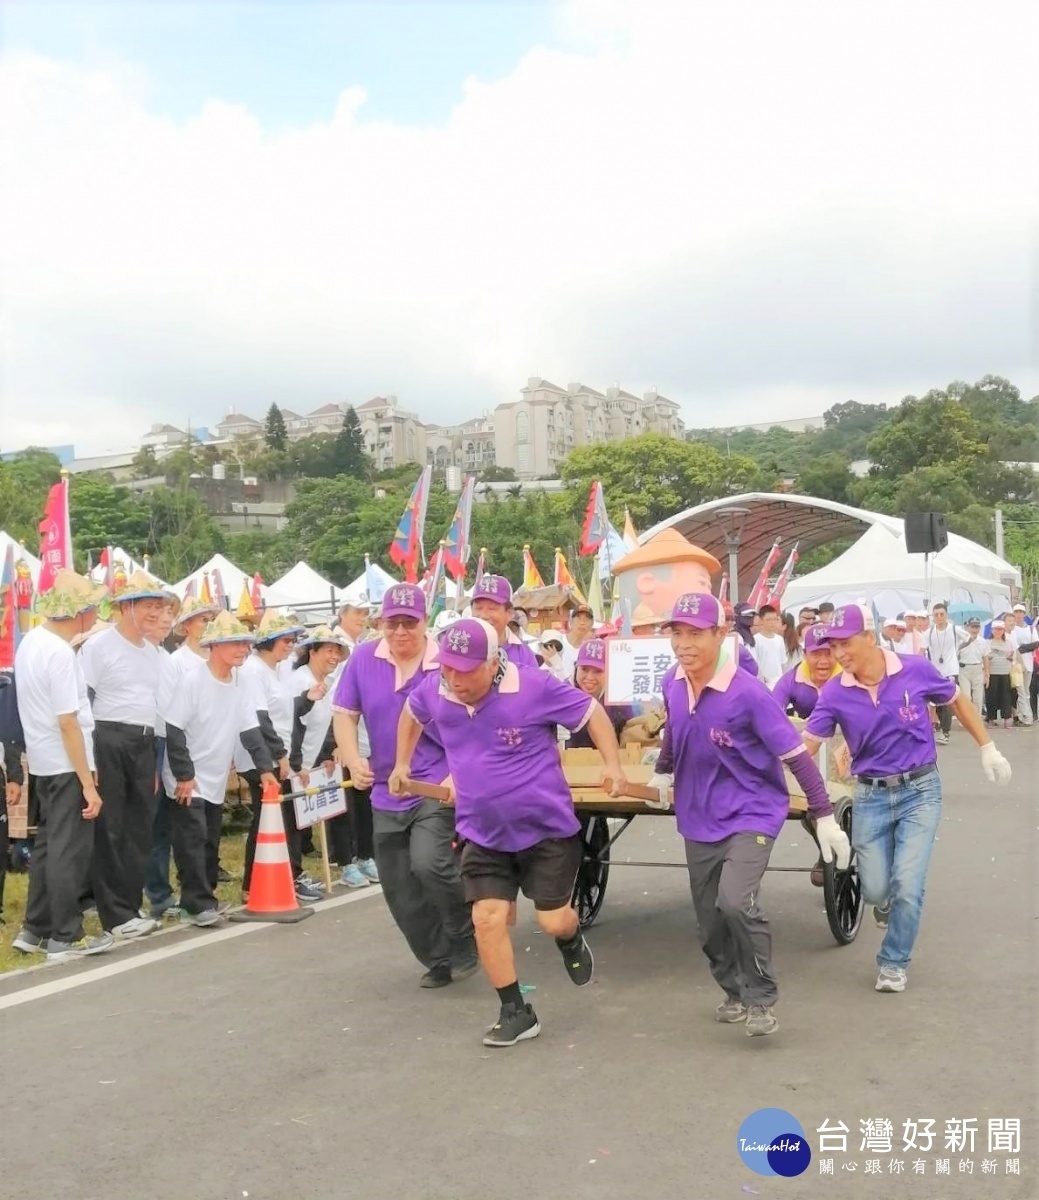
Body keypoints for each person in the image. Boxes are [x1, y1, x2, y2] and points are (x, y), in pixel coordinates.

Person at [391, 617, 628, 1048]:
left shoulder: (534, 686)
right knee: (487, 919)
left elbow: (591, 712)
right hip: (482, 831)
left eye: (465, 669)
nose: (454, 678)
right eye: (447, 667)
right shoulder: (436, 689)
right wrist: (402, 763)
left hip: (545, 829)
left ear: (493, 661)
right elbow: (411, 713)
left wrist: (612, 764)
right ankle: (515, 1010)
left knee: (553, 920)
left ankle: (570, 938)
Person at [647, 594, 847, 1037]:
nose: (684, 643)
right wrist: (663, 773)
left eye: (696, 633)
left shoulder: (749, 693)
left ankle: (760, 999)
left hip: (752, 811)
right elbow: (675, 732)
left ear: (721, 635)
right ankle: (733, 989)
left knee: (735, 901)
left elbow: (796, 756)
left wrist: (825, 814)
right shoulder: (672, 683)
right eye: (677, 633)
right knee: (709, 922)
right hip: (698, 815)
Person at [803, 604, 1011, 994]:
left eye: (845, 643)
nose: (839, 653)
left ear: (870, 637)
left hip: (921, 791)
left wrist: (988, 746)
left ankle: (893, 962)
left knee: (908, 884)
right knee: (877, 890)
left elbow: (956, 700)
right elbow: (807, 743)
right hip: (870, 795)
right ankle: (885, 905)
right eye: (833, 647)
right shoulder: (834, 691)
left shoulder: (915, 669)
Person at [332, 584, 477, 987]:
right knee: (398, 885)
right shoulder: (363, 659)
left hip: (436, 781)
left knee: (429, 862)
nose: (400, 632)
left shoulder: (444, 662)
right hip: (387, 788)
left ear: (424, 623)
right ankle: (439, 957)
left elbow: (472, 719)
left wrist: (458, 773)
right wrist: (352, 757)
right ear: (380, 624)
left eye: (409, 623)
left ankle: (464, 934)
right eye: (392, 623)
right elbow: (344, 713)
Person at [11, 570, 114, 962]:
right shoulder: (59, 653)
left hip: (43, 761)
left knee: (50, 846)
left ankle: (35, 929)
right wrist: (88, 783)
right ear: (82, 611)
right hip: (67, 761)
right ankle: (65, 935)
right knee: (69, 851)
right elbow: (68, 721)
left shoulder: (31, 642)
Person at [162, 612, 278, 926]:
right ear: (214, 646)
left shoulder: (240, 681)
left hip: (214, 774)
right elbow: (173, 729)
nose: (242, 649)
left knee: (210, 839)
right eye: (235, 643)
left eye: (245, 643)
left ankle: (203, 898)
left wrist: (265, 768)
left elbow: (250, 730)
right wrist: (184, 775)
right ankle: (196, 905)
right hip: (188, 775)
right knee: (192, 838)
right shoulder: (193, 680)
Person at [79, 570, 173, 940]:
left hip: (144, 741)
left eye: (160, 607)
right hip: (108, 738)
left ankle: (131, 906)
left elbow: (156, 706)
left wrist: (153, 758)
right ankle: (115, 915)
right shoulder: (99, 647)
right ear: (125, 607)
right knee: (112, 827)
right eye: (149, 606)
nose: (156, 614)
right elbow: (82, 703)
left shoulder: (155, 653)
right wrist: (89, 760)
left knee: (139, 827)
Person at [236, 609, 322, 903]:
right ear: (268, 641)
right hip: (262, 758)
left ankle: (284, 876)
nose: (290, 645)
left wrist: (306, 701)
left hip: (278, 755)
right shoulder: (253, 670)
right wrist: (280, 755)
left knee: (281, 820)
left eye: (293, 640)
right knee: (268, 821)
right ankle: (256, 882)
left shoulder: (276, 671)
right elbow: (259, 719)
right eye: (285, 640)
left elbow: (283, 712)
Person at [144, 594, 220, 920]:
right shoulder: (176, 663)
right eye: (203, 619)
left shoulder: (211, 662)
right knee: (162, 828)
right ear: (186, 626)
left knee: (195, 831)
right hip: (170, 752)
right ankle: (160, 895)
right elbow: (169, 719)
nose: (208, 626)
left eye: (212, 620)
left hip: (205, 755)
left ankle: (195, 891)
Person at [289, 625, 375, 890]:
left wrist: (330, 750)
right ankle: (301, 873)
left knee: (341, 805)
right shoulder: (298, 681)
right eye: (328, 650)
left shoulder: (329, 682)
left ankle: (356, 859)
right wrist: (296, 762)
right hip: (296, 760)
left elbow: (333, 719)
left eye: (337, 651)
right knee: (293, 820)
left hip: (318, 755)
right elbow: (290, 723)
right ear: (312, 651)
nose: (334, 657)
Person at [565, 638, 634, 748]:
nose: (590, 677)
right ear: (576, 667)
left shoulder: (618, 697)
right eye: (584, 669)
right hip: (566, 761)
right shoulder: (562, 694)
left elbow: (631, 731)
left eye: (598, 671)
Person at [469, 575, 539, 670]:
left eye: (492, 608)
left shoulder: (523, 654)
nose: (483, 615)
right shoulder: (459, 646)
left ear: (509, 614)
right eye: (478, 608)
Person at [925, 602, 969, 745]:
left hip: (951, 670)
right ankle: (942, 729)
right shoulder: (929, 632)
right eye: (936, 614)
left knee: (948, 700)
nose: (939, 617)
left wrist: (957, 650)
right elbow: (922, 649)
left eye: (941, 614)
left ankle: (946, 733)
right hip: (935, 671)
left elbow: (969, 638)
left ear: (946, 615)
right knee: (936, 701)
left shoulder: (954, 629)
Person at [1006, 605, 1037, 727]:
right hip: (1014, 666)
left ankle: (1026, 716)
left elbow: (1035, 643)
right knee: (1019, 691)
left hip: (1027, 665)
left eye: (1021, 612)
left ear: (1024, 614)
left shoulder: (1030, 628)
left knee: (1024, 691)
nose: (1019, 615)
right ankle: (1024, 716)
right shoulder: (1011, 630)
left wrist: (1020, 649)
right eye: (1016, 612)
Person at [983, 620, 1016, 728]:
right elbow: (983, 657)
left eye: (1000, 629)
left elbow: (1013, 656)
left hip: (1005, 672)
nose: (998, 631)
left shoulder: (1008, 643)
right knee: (991, 696)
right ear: (992, 630)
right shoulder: (986, 643)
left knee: (1006, 696)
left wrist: (1010, 658)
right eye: (996, 629)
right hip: (991, 673)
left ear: (1003, 631)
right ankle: (991, 718)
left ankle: (1007, 718)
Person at [751, 604, 787, 688]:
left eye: (775, 619)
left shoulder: (779, 639)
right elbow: (755, 664)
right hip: (763, 684)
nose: (772, 622)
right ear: (761, 620)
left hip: (778, 683)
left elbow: (783, 663)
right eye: (768, 620)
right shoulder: (755, 640)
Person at [957, 617, 987, 715]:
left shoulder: (982, 641)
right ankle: (966, 718)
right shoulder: (960, 641)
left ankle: (977, 718)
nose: (974, 630)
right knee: (966, 696)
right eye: (972, 627)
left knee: (978, 697)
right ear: (967, 627)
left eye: (977, 627)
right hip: (964, 669)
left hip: (978, 668)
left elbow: (985, 658)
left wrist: (987, 674)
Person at [559, 602, 596, 678]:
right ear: (571, 622)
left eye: (586, 619)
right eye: (579, 618)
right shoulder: (558, 641)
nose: (582, 623)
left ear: (591, 625)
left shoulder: (588, 651)